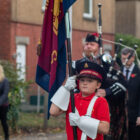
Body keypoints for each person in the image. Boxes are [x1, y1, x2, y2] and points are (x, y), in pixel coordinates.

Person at [72, 33, 127, 140]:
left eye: (92, 44)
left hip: (105, 107)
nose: (88, 46)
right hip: (83, 106)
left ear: (98, 47)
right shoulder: (78, 64)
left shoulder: (106, 60)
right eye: (87, 44)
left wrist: (107, 91)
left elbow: (122, 83)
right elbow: (74, 86)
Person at [50, 60, 110, 140]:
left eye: (90, 81)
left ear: (98, 85)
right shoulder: (71, 97)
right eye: (82, 80)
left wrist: (81, 121)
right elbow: (53, 112)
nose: (85, 83)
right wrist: (65, 89)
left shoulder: (100, 101)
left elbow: (105, 129)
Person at [121, 47, 140, 140]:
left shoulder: (139, 71)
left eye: (126, 59)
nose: (124, 61)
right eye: (122, 58)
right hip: (121, 115)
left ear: (132, 58)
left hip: (135, 115)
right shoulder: (118, 71)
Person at [0, 65, 10, 140]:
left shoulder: (5, 81)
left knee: (3, 122)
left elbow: (5, 94)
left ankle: (7, 137)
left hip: (3, 105)